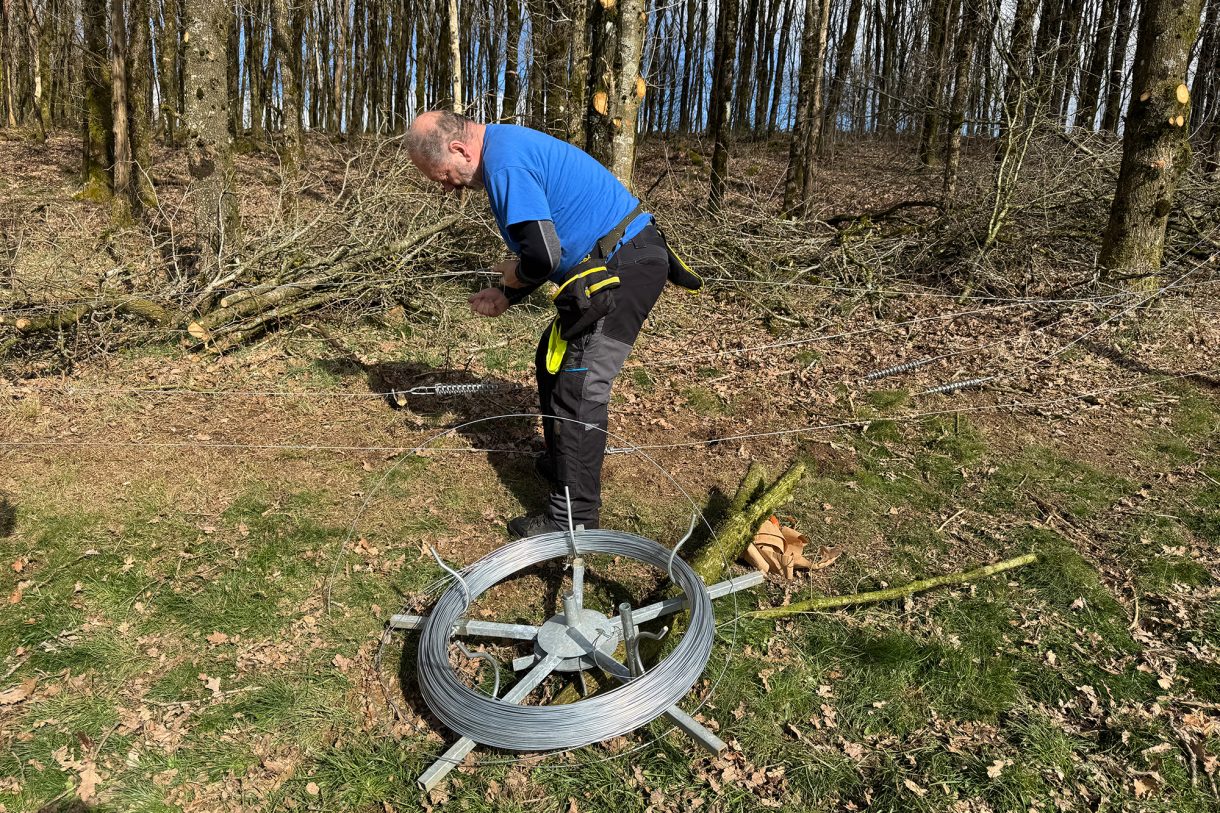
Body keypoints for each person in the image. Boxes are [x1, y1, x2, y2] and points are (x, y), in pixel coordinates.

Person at [404, 110, 700, 538]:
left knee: (579, 384)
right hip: (610, 264)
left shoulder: (505, 164)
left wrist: (516, 276)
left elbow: (543, 256)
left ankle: (573, 518)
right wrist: (508, 293)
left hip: (625, 265)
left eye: (444, 175)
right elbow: (545, 253)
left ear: (458, 149)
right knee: (553, 359)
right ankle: (565, 464)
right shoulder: (504, 151)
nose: (447, 187)